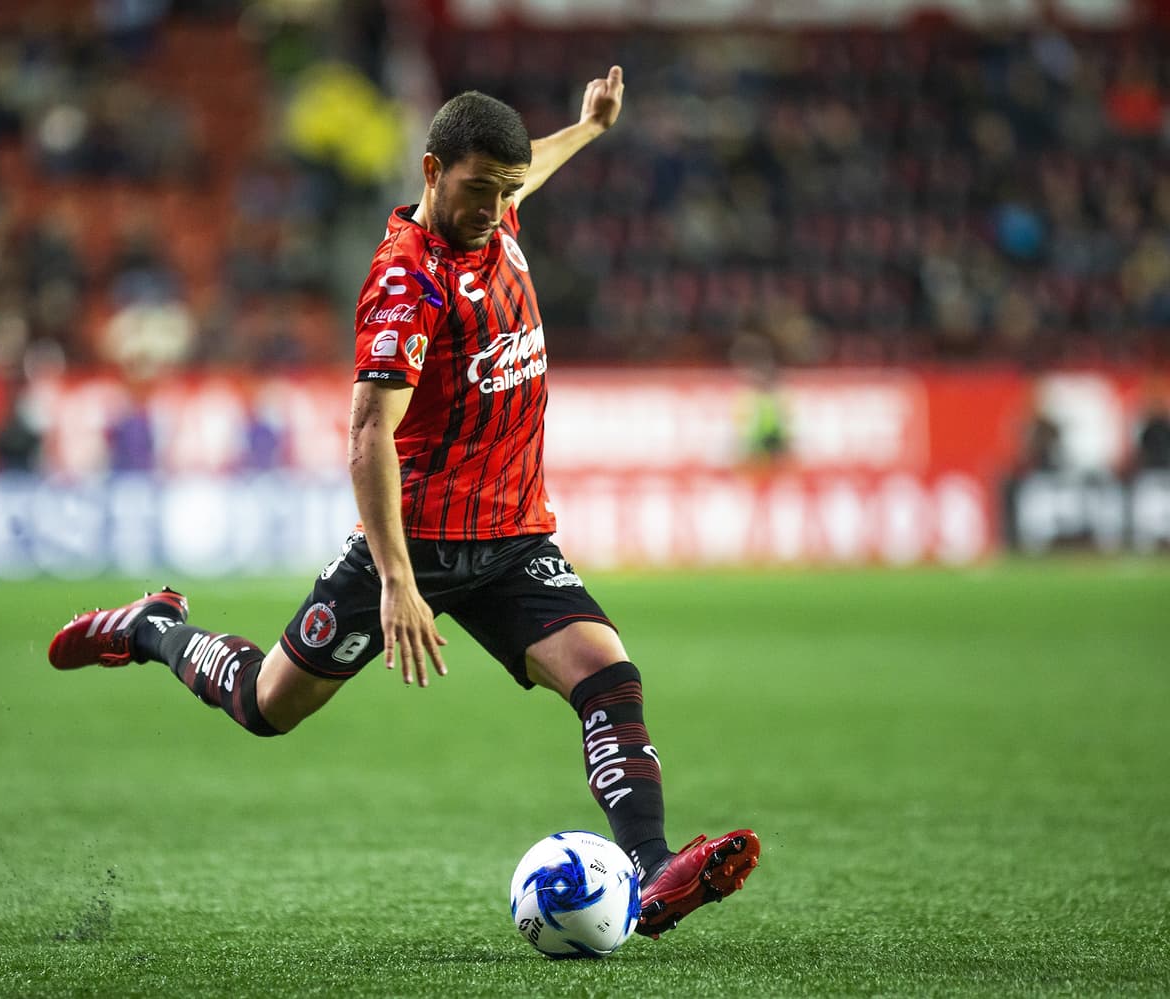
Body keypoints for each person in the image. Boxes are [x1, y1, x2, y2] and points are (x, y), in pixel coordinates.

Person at [48, 66, 759, 939]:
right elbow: (366, 434)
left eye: (504, 191)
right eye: (477, 190)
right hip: (411, 543)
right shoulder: (406, 283)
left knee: (608, 676)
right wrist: (393, 580)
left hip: (510, 536)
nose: (495, 206)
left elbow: (523, 164)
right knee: (267, 706)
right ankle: (151, 625)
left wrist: (590, 128)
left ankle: (652, 876)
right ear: (430, 172)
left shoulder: (496, 206)